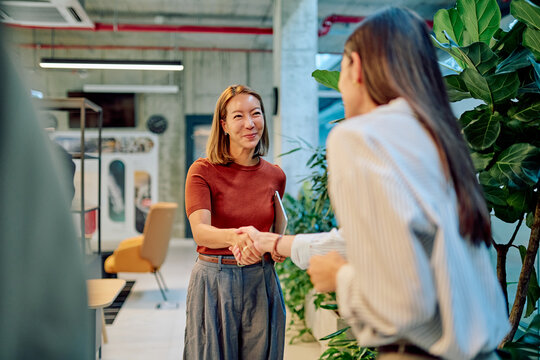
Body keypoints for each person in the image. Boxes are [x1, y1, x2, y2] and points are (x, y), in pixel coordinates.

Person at [233, 7, 509, 360]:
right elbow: (381, 242)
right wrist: (276, 242)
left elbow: (405, 303)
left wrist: (340, 278)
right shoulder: (440, 137)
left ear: (355, 67)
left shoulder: (359, 137)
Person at [183, 85, 287, 359]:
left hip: (261, 280)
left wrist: (276, 248)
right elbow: (200, 232)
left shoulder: (275, 175)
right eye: (238, 116)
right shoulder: (202, 170)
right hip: (215, 280)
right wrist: (235, 238)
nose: (250, 123)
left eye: (256, 113)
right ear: (224, 125)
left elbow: (273, 231)